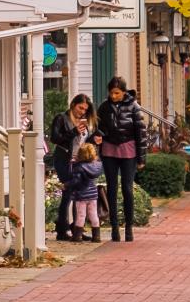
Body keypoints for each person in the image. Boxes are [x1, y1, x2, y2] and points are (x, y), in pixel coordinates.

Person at [95, 76, 142, 241]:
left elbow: (140, 134)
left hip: (128, 150)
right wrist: (99, 135)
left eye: (117, 93)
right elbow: (97, 128)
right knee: (112, 189)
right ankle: (115, 228)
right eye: (111, 93)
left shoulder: (134, 107)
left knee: (127, 188)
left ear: (123, 92)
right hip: (109, 150)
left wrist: (142, 159)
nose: (113, 96)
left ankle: (129, 227)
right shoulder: (103, 108)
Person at [46, 93, 95, 242]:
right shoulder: (62, 118)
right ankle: (62, 229)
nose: (82, 111)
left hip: (79, 161)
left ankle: (76, 229)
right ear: (73, 105)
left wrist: (95, 138)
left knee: (78, 195)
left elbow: (84, 140)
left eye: (85, 109)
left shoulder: (83, 121)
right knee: (68, 193)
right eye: (80, 108)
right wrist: (74, 131)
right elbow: (55, 138)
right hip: (64, 159)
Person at [66, 143, 106, 243]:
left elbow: (76, 181)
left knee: (81, 215)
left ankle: (77, 236)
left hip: (81, 195)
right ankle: (96, 236)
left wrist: (66, 185)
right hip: (93, 194)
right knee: (93, 215)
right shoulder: (96, 165)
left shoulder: (79, 167)